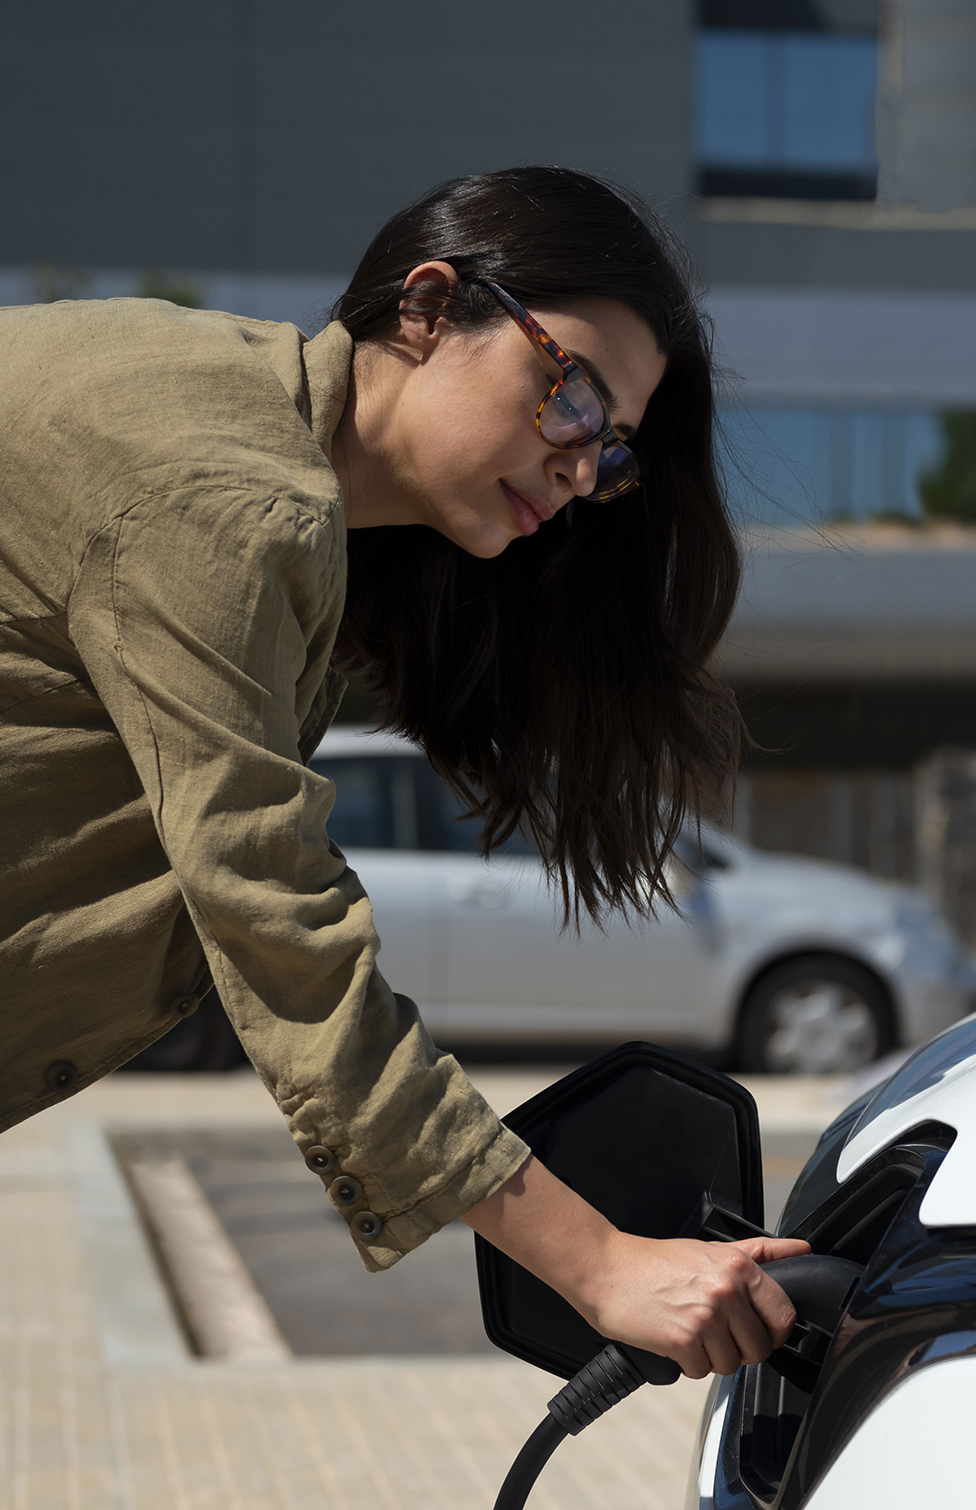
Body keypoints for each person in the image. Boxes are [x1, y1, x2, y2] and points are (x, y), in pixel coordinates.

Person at [0, 166, 808, 1381]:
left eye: (615, 448)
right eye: (573, 395)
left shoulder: (263, 462)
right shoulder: (223, 493)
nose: (586, 468)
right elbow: (278, 923)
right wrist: (595, 1262)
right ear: (428, 308)